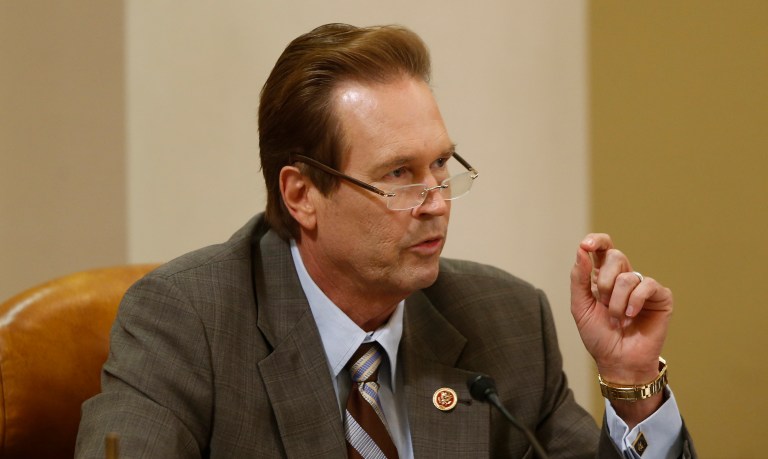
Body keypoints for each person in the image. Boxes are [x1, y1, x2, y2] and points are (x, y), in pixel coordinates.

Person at [76, 23, 695, 458]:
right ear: (302, 195)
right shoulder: (187, 322)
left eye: (441, 166)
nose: (437, 201)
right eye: (399, 175)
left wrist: (632, 383)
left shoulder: (504, 320)